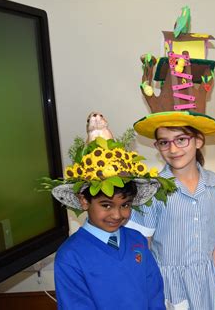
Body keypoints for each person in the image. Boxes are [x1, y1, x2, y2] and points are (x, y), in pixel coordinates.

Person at [47, 129, 175, 309]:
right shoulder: (70, 256)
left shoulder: (136, 240)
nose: (117, 215)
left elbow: (154, 290)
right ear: (84, 201)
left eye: (125, 205)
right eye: (106, 205)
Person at [128, 111, 215, 310]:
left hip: (206, 280)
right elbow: (140, 244)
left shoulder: (214, 183)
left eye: (181, 140)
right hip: (169, 284)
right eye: (164, 142)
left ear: (198, 141)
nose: (172, 148)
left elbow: (212, 235)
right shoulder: (152, 189)